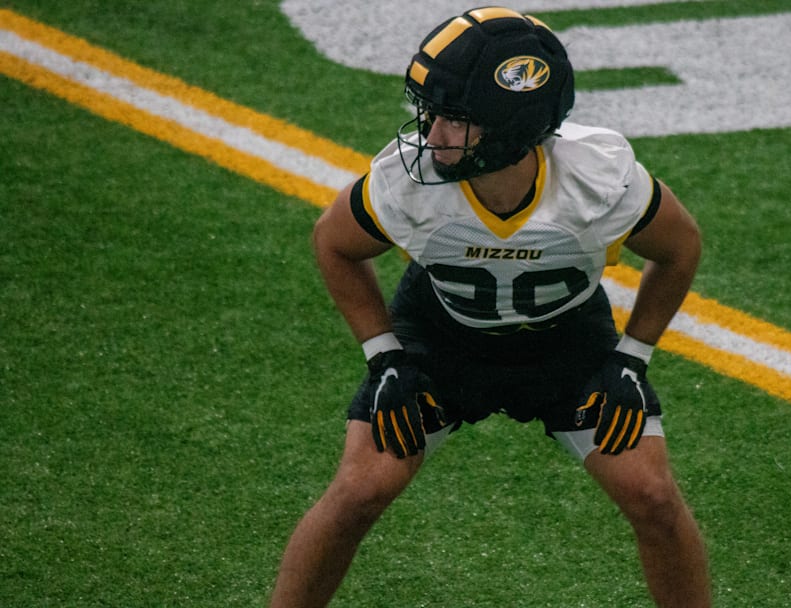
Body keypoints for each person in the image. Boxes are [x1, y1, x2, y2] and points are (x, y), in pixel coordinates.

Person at [269, 6, 709, 607]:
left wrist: (632, 358)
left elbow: (680, 248)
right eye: (433, 113)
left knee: (653, 497)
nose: (432, 135)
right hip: (442, 336)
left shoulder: (597, 179)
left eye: (455, 119)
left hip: (567, 341)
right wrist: (384, 357)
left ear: (513, 125)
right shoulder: (407, 180)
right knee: (359, 490)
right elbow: (334, 243)